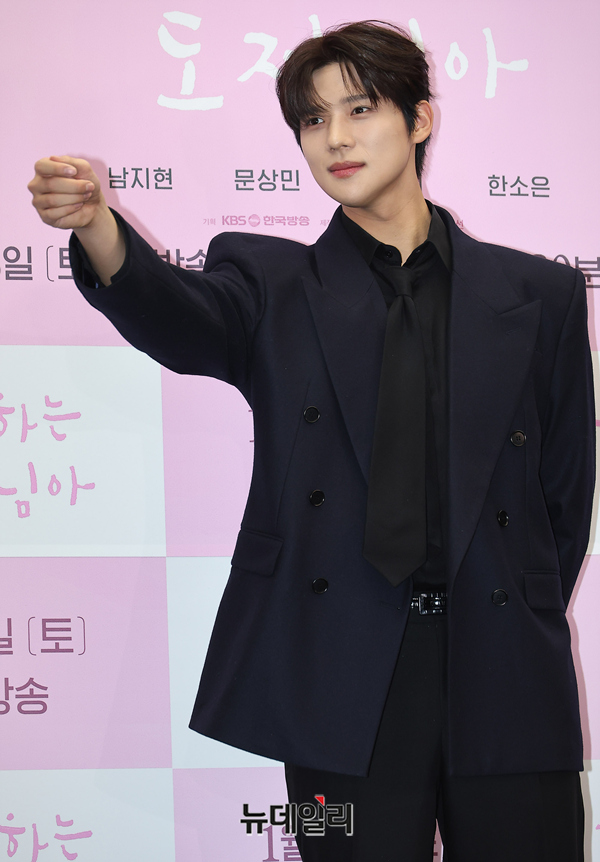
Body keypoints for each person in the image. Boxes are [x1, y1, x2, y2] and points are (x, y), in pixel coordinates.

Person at [27, 20, 594, 862]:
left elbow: (564, 490)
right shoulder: (272, 284)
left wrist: (522, 597)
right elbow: (178, 316)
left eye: (360, 109)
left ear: (420, 118)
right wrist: (97, 229)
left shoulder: (539, 293)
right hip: (340, 669)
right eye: (313, 120)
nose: (335, 139)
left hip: (504, 659)